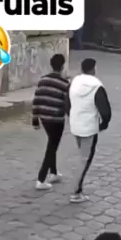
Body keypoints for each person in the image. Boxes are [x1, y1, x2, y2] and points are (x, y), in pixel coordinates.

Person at [66, 58, 112, 203]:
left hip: (75, 125)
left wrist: (73, 116)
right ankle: (75, 192)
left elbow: (66, 103)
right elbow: (105, 110)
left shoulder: (74, 82)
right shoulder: (97, 86)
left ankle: (78, 189)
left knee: (82, 156)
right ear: (93, 69)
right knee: (84, 160)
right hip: (89, 128)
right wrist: (104, 124)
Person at [32, 54, 70, 191]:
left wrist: (35, 119)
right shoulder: (65, 84)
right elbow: (67, 104)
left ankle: (53, 173)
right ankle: (41, 179)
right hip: (57, 120)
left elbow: (36, 99)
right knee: (52, 147)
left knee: (51, 143)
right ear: (63, 66)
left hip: (44, 118)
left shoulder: (43, 80)